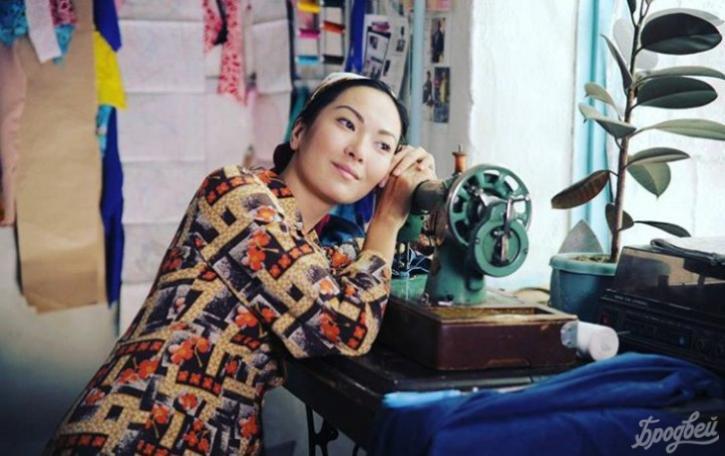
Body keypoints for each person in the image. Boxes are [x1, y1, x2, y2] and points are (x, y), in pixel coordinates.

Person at [45, 73, 437, 455]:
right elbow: (347, 325)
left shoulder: (307, 246)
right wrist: (387, 220)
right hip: (135, 436)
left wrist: (420, 219)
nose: (358, 150)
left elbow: (369, 263)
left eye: (382, 146)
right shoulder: (236, 193)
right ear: (299, 132)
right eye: (347, 123)